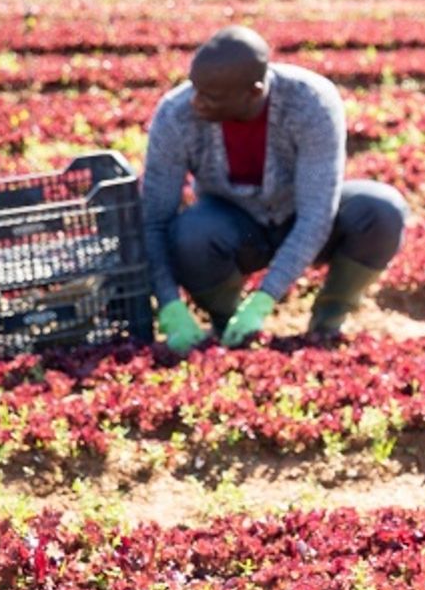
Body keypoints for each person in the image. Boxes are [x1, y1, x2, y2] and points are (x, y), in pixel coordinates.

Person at [144, 26, 409, 352]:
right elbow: (154, 219)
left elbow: (316, 215)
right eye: (195, 88)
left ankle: (328, 322)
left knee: (380, 210)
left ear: (254, 93)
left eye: (210, 96)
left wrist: (265, 299)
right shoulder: (176, 114)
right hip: (234, 227)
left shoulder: (311, 103)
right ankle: (228, 325)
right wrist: (169, 304)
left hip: (299, 216)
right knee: (190, 235)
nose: (195, 102)